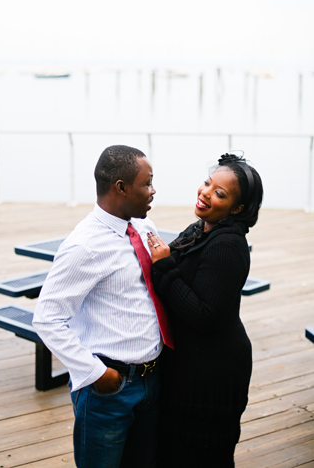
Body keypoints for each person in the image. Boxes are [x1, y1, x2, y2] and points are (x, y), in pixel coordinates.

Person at [33, 144, 173, 468]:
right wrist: (97, 373)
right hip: (109, 390)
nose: (154, 191)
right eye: (147, 183)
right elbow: (47, 318)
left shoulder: (144, 227)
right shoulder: (85, 245)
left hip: (151, 380)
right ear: (121, 188)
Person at [147, 153, 263, 467]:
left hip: (212, 375)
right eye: (207, 183)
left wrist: (165, 266)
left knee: (201, 455)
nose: (205, 192)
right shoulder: (201, 229)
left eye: (219, 193)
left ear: (237, 209)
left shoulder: (227, 245)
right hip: (191, 366)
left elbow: (205, 314)